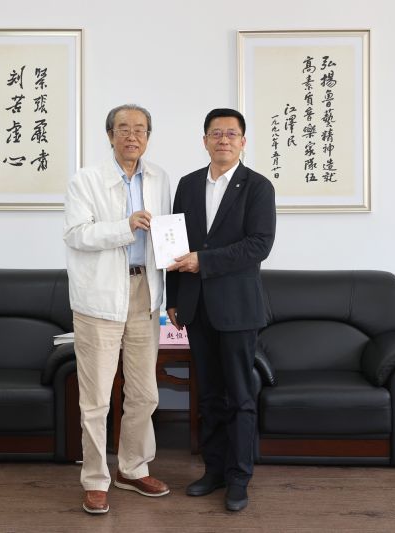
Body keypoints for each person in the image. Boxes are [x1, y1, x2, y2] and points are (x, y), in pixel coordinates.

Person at [166, 108, 276, 512]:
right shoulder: (188, 184)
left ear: (243, 142)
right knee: (209, 395)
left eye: (231, 134)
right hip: (196, 308)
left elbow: (259, 245)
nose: (223, 140)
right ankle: (213, 471)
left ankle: (239, 477)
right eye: (216, 133)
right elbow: (174, 243)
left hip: (238, 309)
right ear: (205, 141)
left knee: (240, 395)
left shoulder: (258, 187)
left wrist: (204, 261)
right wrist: (173, 298)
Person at [64, 104, 171, 515]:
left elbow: (167, 234)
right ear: (109, 135)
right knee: (96, 399)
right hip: (100, 295)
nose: (132, 136)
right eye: (123, 129)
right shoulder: (86, 179)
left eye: (140, 129)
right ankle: (95, 480)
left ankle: (132, 467)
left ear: (148, 137)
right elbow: (76, 234)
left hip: (145, 290)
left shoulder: (159, 178)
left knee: (144, 392)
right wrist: (125, 227)